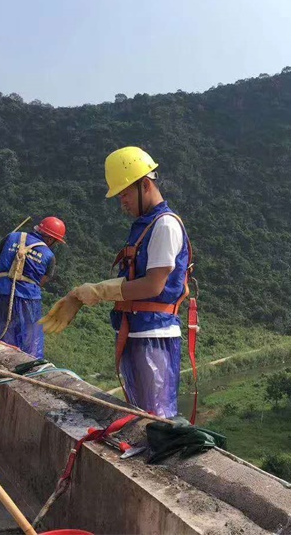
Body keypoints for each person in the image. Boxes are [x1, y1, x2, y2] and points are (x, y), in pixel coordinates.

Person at [41, 147, 192, 419]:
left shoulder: (165, 225)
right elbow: (135, 277)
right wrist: (80, 295)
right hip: (136, 331)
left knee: (154, 418)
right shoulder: (147, 225)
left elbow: (153, 285)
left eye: (124, 193)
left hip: (154, 335)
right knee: (138, 413)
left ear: (145, 185)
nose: (122, 201)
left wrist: (100, 291)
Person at [0, 217, 65, 358]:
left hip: (1, 294)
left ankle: (3, 369)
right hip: (28, 299)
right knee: (30, 345)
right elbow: (40, 283)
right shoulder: (49, 255)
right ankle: (28, 375)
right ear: (50, 239)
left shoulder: (11, 237)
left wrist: (4, 282)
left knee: (4, 340)